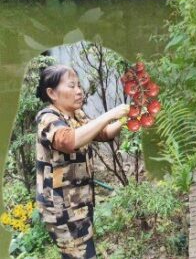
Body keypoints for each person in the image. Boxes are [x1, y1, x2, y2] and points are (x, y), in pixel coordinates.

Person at [33, 65, 129, 259]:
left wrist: (129, 116)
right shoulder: (48, 119)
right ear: (52, 93)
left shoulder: (76, 115)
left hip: (78, 204)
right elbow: (70, 140)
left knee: (83, 252)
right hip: (61, 209)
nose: (79, 91)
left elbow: (104, 133)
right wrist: (110, 114)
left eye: (79, 85)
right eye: (71, 86)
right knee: (81, 255)